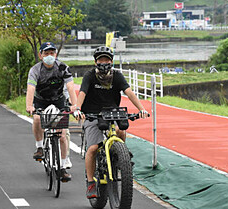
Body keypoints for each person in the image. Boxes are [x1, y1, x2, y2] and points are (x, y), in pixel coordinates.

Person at [76, 46, 149, 199]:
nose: (104, 62)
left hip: (112, 113)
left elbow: (129, 92)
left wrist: (141, 109)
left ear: (112, 61)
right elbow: (82, 93)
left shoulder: (117, 76)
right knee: (94, 148)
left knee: (121, 131)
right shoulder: (89, 76)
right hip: (92, 114)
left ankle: (119, 157)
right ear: (95, 61)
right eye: (101, 59)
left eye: (107, 59)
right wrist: (77, 109)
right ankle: (90, 183)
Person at [26, 42, 78, 182]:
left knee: (61, 135)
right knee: (37, 119)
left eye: (52, 53)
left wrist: (74, 105)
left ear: (56, 54)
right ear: (40, 55)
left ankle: (62, 167)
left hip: (58, 100)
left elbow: (70, 86)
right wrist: (29, 105)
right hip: (41, 100)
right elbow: (31, 88)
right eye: (46, 53)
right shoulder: (35, 70)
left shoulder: (62, 67)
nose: (49, 56)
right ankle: (40, 148)